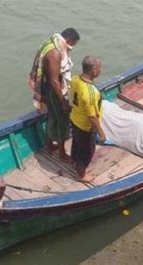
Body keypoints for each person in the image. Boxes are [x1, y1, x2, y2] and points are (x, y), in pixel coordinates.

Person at [28, 28, 80, 161]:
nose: (71, 48)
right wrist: (63, 102)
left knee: (52, 116)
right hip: (53, 91)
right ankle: (62, 153)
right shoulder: (55, 53)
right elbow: (54, 81)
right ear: (68, 41)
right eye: (72, 44)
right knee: (61, 119)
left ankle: (49, 144)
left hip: (46, 87)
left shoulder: (49, 44)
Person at [69, 56, 105, 183]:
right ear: (93, 71)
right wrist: (101, 133)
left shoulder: (75, 78)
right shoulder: (90, 93)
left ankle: (74, 161)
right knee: (86, 152)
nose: (101, 71)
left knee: (76, 144)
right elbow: (92, 117)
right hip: (85, 126)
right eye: (100, 68)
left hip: (74, 119)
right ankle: (81, 174)